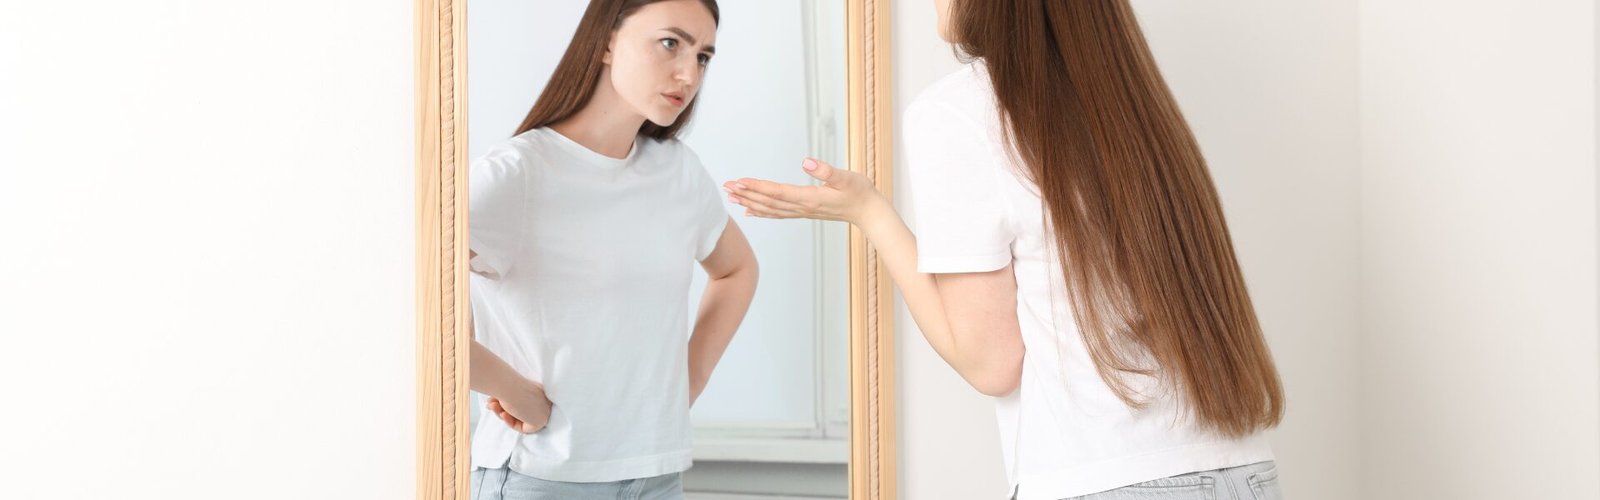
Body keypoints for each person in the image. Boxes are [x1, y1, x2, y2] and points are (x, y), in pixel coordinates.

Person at [725, 1, 1286, 498]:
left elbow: (992, 364)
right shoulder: (1137, 112)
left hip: (1104, 479)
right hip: (1246, 472)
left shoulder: (958, 113)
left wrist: (871, 213)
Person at [466, 1, 756, 498]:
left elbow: (736, 270)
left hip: (657, 474)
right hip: (542, 476)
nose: (689, 73)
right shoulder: (516, 173)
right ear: (604, 41)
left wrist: (687, 382)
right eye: (670, 43)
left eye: (703, 56)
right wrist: (514, 391)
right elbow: (413, 311)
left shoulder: (678, 172)